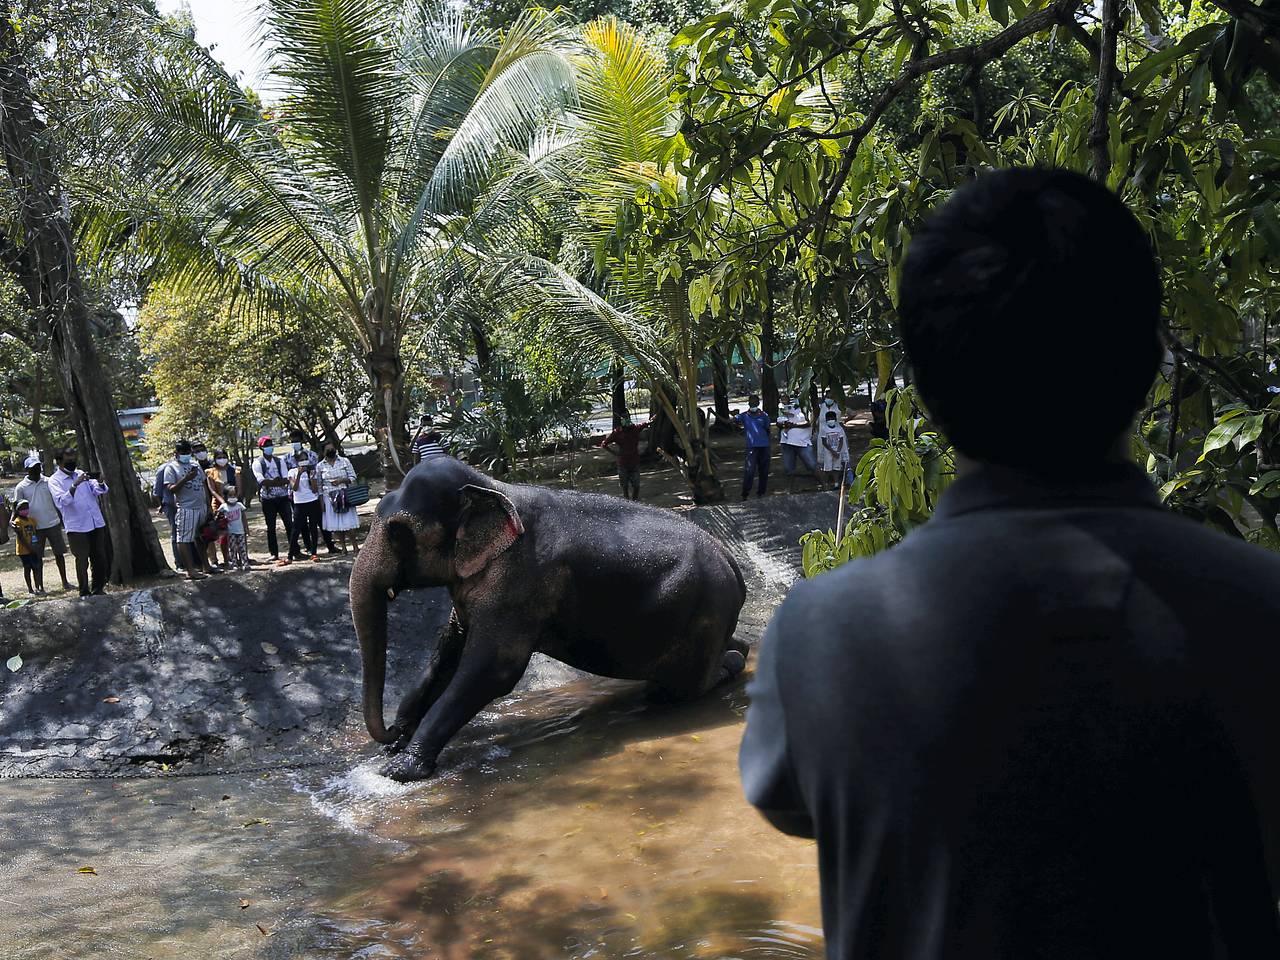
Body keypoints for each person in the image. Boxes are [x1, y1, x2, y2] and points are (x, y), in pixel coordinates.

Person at [740, 168, 1280, 958]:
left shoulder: (821, 635)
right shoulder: (1258, 612)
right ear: (1150, 358)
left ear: (922, 387)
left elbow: (795, 803)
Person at [47, 446, 110, 597]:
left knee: (99, 557)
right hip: (77, 526)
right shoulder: (54, 481)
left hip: (95, 522)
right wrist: (75, 485)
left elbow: (99, 490)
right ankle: (84, 591)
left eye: (74, 458)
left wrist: (100, 482)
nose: (73, 461)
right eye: (69, 459)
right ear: (60, 461)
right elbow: (62, 501)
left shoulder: (81, 473)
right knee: (82, 560)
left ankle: (98, 588)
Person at [13, 454, 74, 591]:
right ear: (27, 470)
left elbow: (57, 501)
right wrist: (14, 522)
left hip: (53, 523)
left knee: (59, 554)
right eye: (33, 468)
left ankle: (65, 582)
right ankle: (40, 586)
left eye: (38, 466)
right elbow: (16, 507)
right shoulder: (21, 487)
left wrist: (63, 519)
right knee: (37, 557)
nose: (36, 470)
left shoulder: (48, 481)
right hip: (34, 528)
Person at [160, 439, 213, 582]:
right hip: (186, 508)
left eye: (188, 452)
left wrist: (208, 505)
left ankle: (206, 565)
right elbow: (171, 489)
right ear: (176, 453)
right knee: (184, 539)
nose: (186, 455)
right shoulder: (171, 468)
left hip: (201, 506)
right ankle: (190, 570)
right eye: (183, 453)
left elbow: (203, 484)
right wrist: (186, 478)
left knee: (201, 537)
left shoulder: (195, 464)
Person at [284, 429, 337, 555]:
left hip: (312, 493)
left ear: (302, 441)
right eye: (292, 441)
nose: (295, 443)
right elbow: (289, 478)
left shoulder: (312, 455)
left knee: (319, 521)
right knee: (301, 525)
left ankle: (329, 545)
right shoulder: (286, 458)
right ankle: (308, 547)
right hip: (296, 496)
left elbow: (316, 471)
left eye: (297, 440)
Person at [252, 436, 295, 566]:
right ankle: (274, 553)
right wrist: (275, 482)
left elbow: (286, 479)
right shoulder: (258, 463)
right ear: (261, 448)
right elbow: (261, 481)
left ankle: (294, 551)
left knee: (289, 524)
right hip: (268, 499)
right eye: (267, 445)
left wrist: (273, 482)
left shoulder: (279, 461)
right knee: (271, 527)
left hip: (282, 497)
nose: (270, 447)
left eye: (271, 444)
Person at [318, 444, 360, 554]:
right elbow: (319, 485)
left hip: (344, 495)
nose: (331, 451)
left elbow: (353, 477)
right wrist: (321, 500)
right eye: (328, 450)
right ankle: (343, 548)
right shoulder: (320, 466)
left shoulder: (344, 461)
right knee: (335, 524)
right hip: (329, 497)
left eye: (332, 449)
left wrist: (342, 480)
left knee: (349, 522)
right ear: (323, 452)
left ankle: (355, 547)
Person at [776, 395, 820, 493]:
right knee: (789, 468)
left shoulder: (806, 408)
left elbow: (810, 423)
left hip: (802, 442)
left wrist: (794, 425)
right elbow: (779, 423)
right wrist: (784, 425)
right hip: (787, 442)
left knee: (812, 465)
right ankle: (790, 490)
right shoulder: (783, 408)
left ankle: (824, 485)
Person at [734, 395, 772, 500]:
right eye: (751, 403)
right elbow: (731, 420)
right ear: (748, 404)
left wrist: (768, 443)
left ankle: (761, 492)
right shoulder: (744, 416)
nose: (753, 405)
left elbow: (768, 429)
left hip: (764, 447)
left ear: (758, 404)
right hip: (751, 447)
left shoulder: (764, 416)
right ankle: (745, 493)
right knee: (749, 470)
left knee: (764, 470)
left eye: (754, 403)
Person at [288, 451, 323, 562]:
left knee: (313, 528)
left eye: (305, 459)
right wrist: (299, 474)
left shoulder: (311, 471)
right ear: (297, 461)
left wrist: (311, 477)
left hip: (312, 501)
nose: (304, 462)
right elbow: (294, 488)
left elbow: (314, 489)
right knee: (296, 529)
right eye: (301, 460)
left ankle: (313, 552)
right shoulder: (292, 472)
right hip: (299, 503)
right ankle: (290, 554)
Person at [602, 413, 646, 500]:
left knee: (636, 485)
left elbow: (646, 423)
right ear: (621, 421)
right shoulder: (617, 432)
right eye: (624, 418)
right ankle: (627, 503)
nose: (626, 420)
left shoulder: (635, 429)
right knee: (624, 486)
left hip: (634, 462)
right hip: (623, 463)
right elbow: (604, 444)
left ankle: (635, 503)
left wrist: (653, 418)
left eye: (627, 418)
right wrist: (615, 453)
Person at [11, 499, 44, 595]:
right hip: (23, 550)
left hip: (33, 548)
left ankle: (37, 587)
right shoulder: (17, 522)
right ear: (17, 510)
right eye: (22, 508)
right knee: (27, 568)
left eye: (26, 507)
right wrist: (30, 548)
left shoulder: (32, 521)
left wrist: (36, 547)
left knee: (36, 568)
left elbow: (35, 534)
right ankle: (30, 589)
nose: (25, 510)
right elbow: (21, 537)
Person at [217, 484, 251, 572]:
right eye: (230, 495)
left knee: (242, 547)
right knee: (232, 548)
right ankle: (234, 564)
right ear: (225, 496)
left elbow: (244, 518)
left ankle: (245, 563)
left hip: (240, 531)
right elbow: (218, 517)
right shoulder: (223, 507)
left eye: (234, 495)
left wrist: (246, 529)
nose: (233, 497)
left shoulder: (239, 505)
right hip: (230, 532)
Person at [816, 409, 849, 488]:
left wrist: (837, 451)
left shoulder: (839, 429)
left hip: (838, 451)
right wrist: (832, 451)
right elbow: (824, 442)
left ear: (835, 419)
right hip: (828, 452)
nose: (831, 420)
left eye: (832, 419)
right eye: (829, 419)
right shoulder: (824, 429)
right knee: (827, 469)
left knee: (836, 468)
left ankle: (836, 483)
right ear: (826, 420)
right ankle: (826, 484)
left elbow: (841, 440)